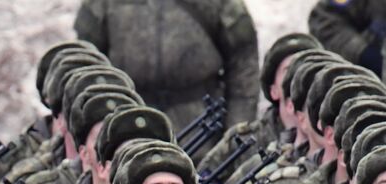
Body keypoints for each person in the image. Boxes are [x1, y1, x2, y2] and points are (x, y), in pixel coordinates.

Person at [75, 0, 259, 130]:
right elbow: (87, 64)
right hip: (127, 124)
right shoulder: (102, 3)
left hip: (202, 129)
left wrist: (237, 127)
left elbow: (243, 61)